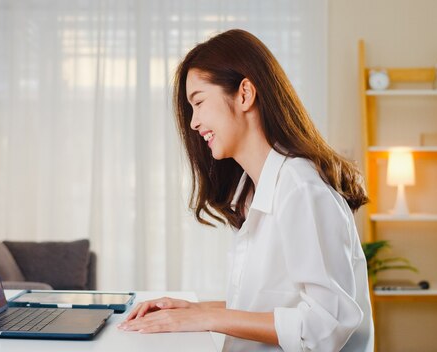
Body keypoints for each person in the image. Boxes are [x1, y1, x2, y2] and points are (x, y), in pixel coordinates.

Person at [117, 29, 374, 351]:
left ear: (244, 94)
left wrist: (206, 319)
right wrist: (198, 309)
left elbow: (324, 327)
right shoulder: (256, 187)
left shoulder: (301, 188)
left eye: (198, 102)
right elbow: (275, 306)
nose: (194, 123)